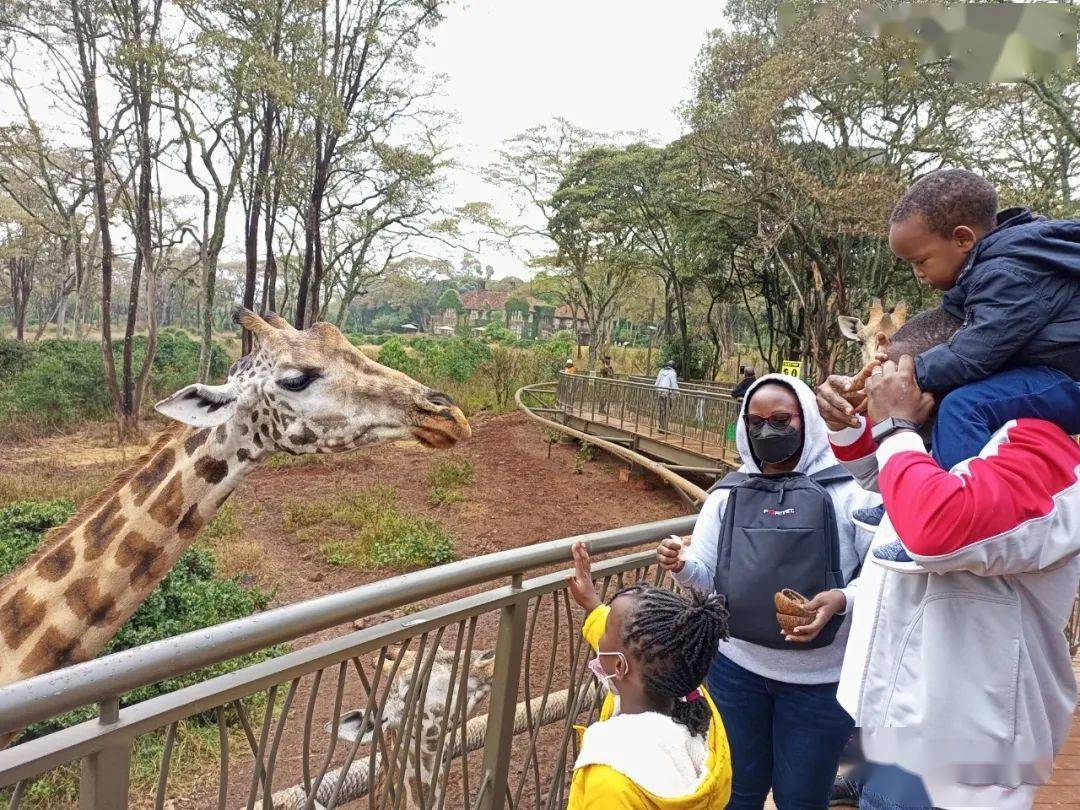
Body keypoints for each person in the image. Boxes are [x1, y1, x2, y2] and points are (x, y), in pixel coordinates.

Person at [817, 357, 1080, 809]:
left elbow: (937, 526)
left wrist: (896, 426)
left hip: (962, 770)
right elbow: (884, 477)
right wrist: (847, 422)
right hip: (891, 730)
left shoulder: (1037, 448)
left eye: (896, 372)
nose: (886, 382)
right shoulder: (947, 437)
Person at [656, 375, 881, 809]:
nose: (767, 432)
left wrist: (843, 599)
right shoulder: (728, 493)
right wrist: (681, 567)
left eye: (781, 420)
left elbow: (881, 573)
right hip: (736, 671)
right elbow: (707, 579)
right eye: (755, 422)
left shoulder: (850, 490)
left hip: (820, 682)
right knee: (737, 793)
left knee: (801, 798)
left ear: (807, 420)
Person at [846, 169, 1080, 535]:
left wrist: (913, 374)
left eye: (921, 261)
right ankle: (909, 500)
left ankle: (957, 513)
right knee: (945, 393)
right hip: (1049, 374)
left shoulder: (1007, 273)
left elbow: (973, 354)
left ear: (962, 239)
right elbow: (946, 325)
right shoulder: (988, 266)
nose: (917, 274)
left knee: (963, 405)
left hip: (1068, 380)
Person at [565, 541, 733, 809]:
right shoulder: (697, 709)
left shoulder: (611, 778)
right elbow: (638, 643)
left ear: (619, 668)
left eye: (606, 629)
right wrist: (594, 606)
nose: (602, 637)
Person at [655, 361, 679, 433]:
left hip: (660, 392)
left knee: (662, 410)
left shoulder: (661, 371)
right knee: (667, 411)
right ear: (673, 367)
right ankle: (664, 428)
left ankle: (661, 426)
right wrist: (678, 393)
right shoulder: (672, 373)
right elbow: (674, 384)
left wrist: (657, 390)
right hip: (668, 394)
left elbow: (657, 382)